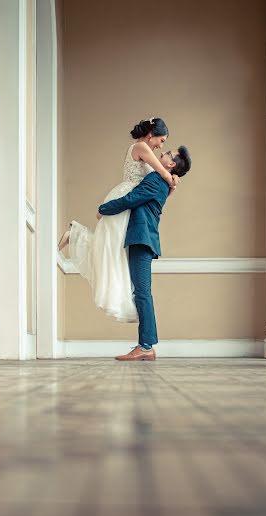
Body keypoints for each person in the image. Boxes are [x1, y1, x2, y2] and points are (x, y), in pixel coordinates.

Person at [58, 117, 179, 322]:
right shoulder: (141, 146)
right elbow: (162, 173)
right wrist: (172, 179)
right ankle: (75, 235)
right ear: (151, 135)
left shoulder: (146, 149)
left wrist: (170, 185)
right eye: (162, 140)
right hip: (126, 199)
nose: (161, 145)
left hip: (133, 204)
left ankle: (75, 235)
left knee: (112, 250)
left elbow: (158, 186)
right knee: (111, 250)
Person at [97, 145, 192, 361]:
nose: (164, 151)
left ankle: (146, 346)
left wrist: (102, 209)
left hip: (142, 238)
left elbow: (131, 198)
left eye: (169, 153)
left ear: (171, 164)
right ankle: (146, 345)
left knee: (142, 292)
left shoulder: (157, 180)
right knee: (142, 291)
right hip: (143, 238)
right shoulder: (163, 181)